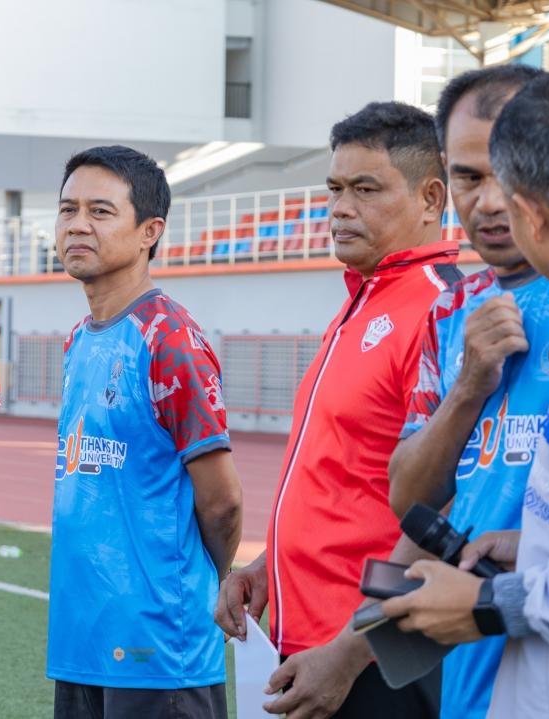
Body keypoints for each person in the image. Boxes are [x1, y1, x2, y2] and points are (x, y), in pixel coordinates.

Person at [380, 74, 549, 719]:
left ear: (529, 213)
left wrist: (487, 604)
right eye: (468, 177)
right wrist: (534, 550)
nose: (486, 205)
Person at [216, 102, 460, 717]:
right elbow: (344, 478)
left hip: (375, 660)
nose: (340, 208)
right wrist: (269, 565)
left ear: (430, 199)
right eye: (334, 189)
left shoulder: (443, 313)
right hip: (310, 641)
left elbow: (447, 511)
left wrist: (354, 651)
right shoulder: (363, 303)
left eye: (365, 189)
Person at [46, 145, 243, 719]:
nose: (77, 224)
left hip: (158, 644)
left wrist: (202, 581)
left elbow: (223, 501)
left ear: (149, 232)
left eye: (100, 211)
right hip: (83, 637)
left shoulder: (167, 338)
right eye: (68, 209)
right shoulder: (79, 338)